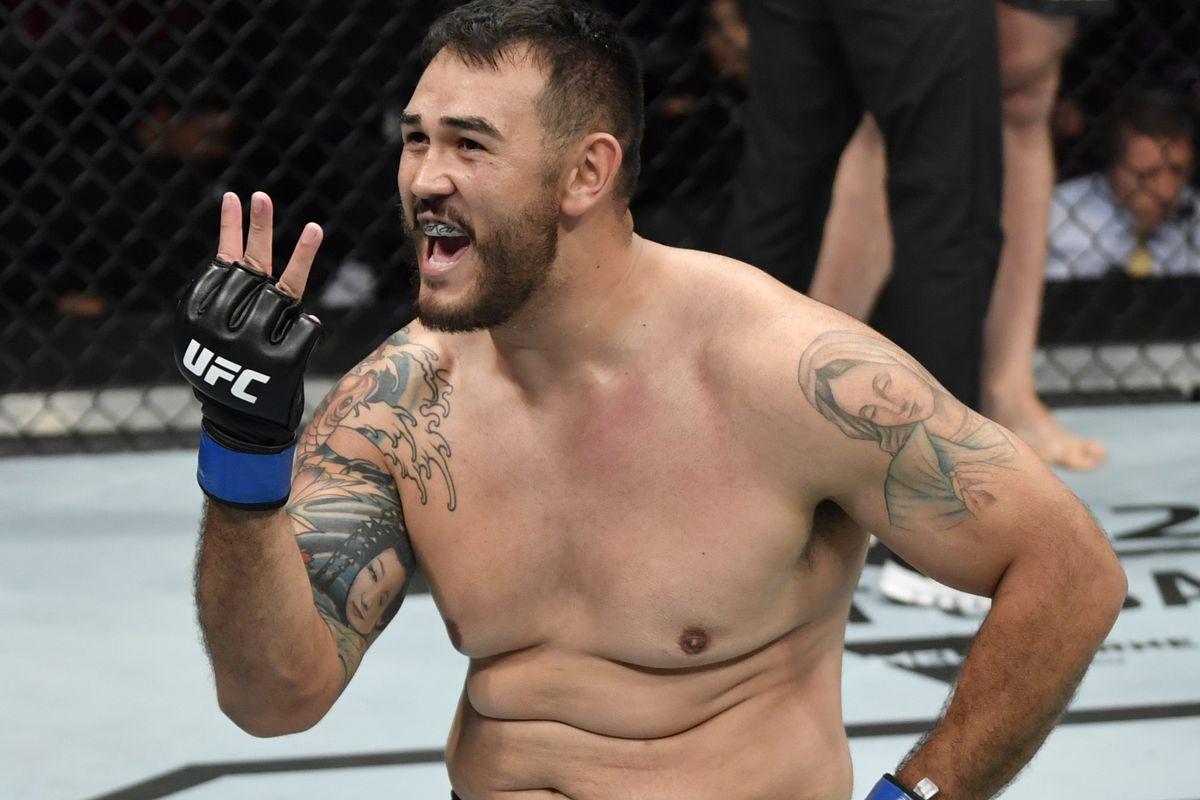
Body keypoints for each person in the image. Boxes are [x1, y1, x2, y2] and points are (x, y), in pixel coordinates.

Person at [174, 2, 1126, 798]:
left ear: (586, 172)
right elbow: (274, 699)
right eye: (417, 139)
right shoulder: (399, 402)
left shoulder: (783, 372)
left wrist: (916, 797)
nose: (426, 178)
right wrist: (244, 456)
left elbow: (1070, 570)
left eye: (470, 144)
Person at [1047, 88, 1198, 281]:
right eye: (1146, 175)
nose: (1166, 191)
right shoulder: (1052, 215)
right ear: (1113, 166)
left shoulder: (1196, 217)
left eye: (1178, 171)